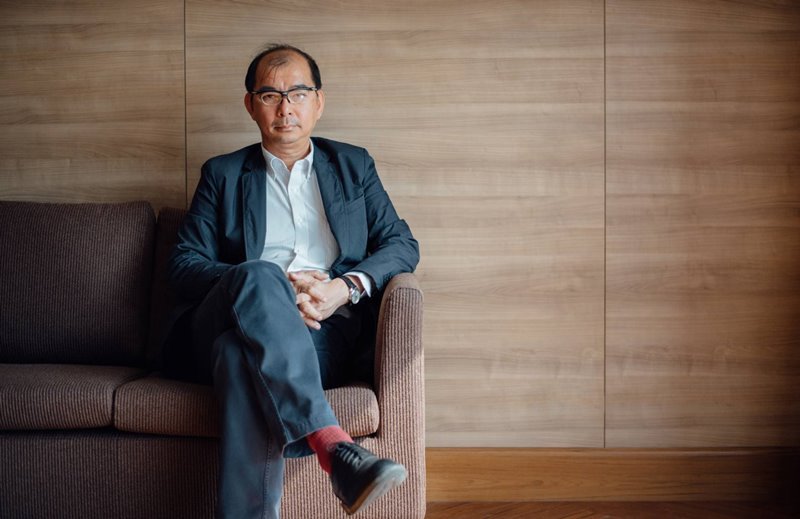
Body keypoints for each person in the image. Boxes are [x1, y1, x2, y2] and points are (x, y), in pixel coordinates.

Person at [165, 43, 419, 518]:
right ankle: (331, 445)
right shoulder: (223, 174)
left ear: (318, 102)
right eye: (270, 95)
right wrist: (274, 287)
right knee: (261, 275)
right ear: (250, 105)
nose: (286, 108)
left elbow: (402, 244)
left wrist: (343, 288)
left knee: (238, 358)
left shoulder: (353, 166)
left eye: (298, 93)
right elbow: (183, 264)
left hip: (320, 330)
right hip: (229, 315)